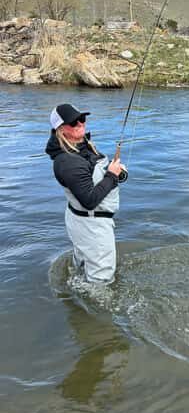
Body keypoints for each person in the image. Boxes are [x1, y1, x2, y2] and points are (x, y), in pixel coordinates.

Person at [45, 103, 123, 285]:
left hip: (82, 221)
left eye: (82, 118)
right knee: (101, 280)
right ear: (60, 129)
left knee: (82, 267)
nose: (80, 123)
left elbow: (92, 177)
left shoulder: (82, 147)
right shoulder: (68, 161)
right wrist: (112, 176)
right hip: (92, 226)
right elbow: (89, 200)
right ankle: (95, 302)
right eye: (73, 122)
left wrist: (115, 172)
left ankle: (75, 289)